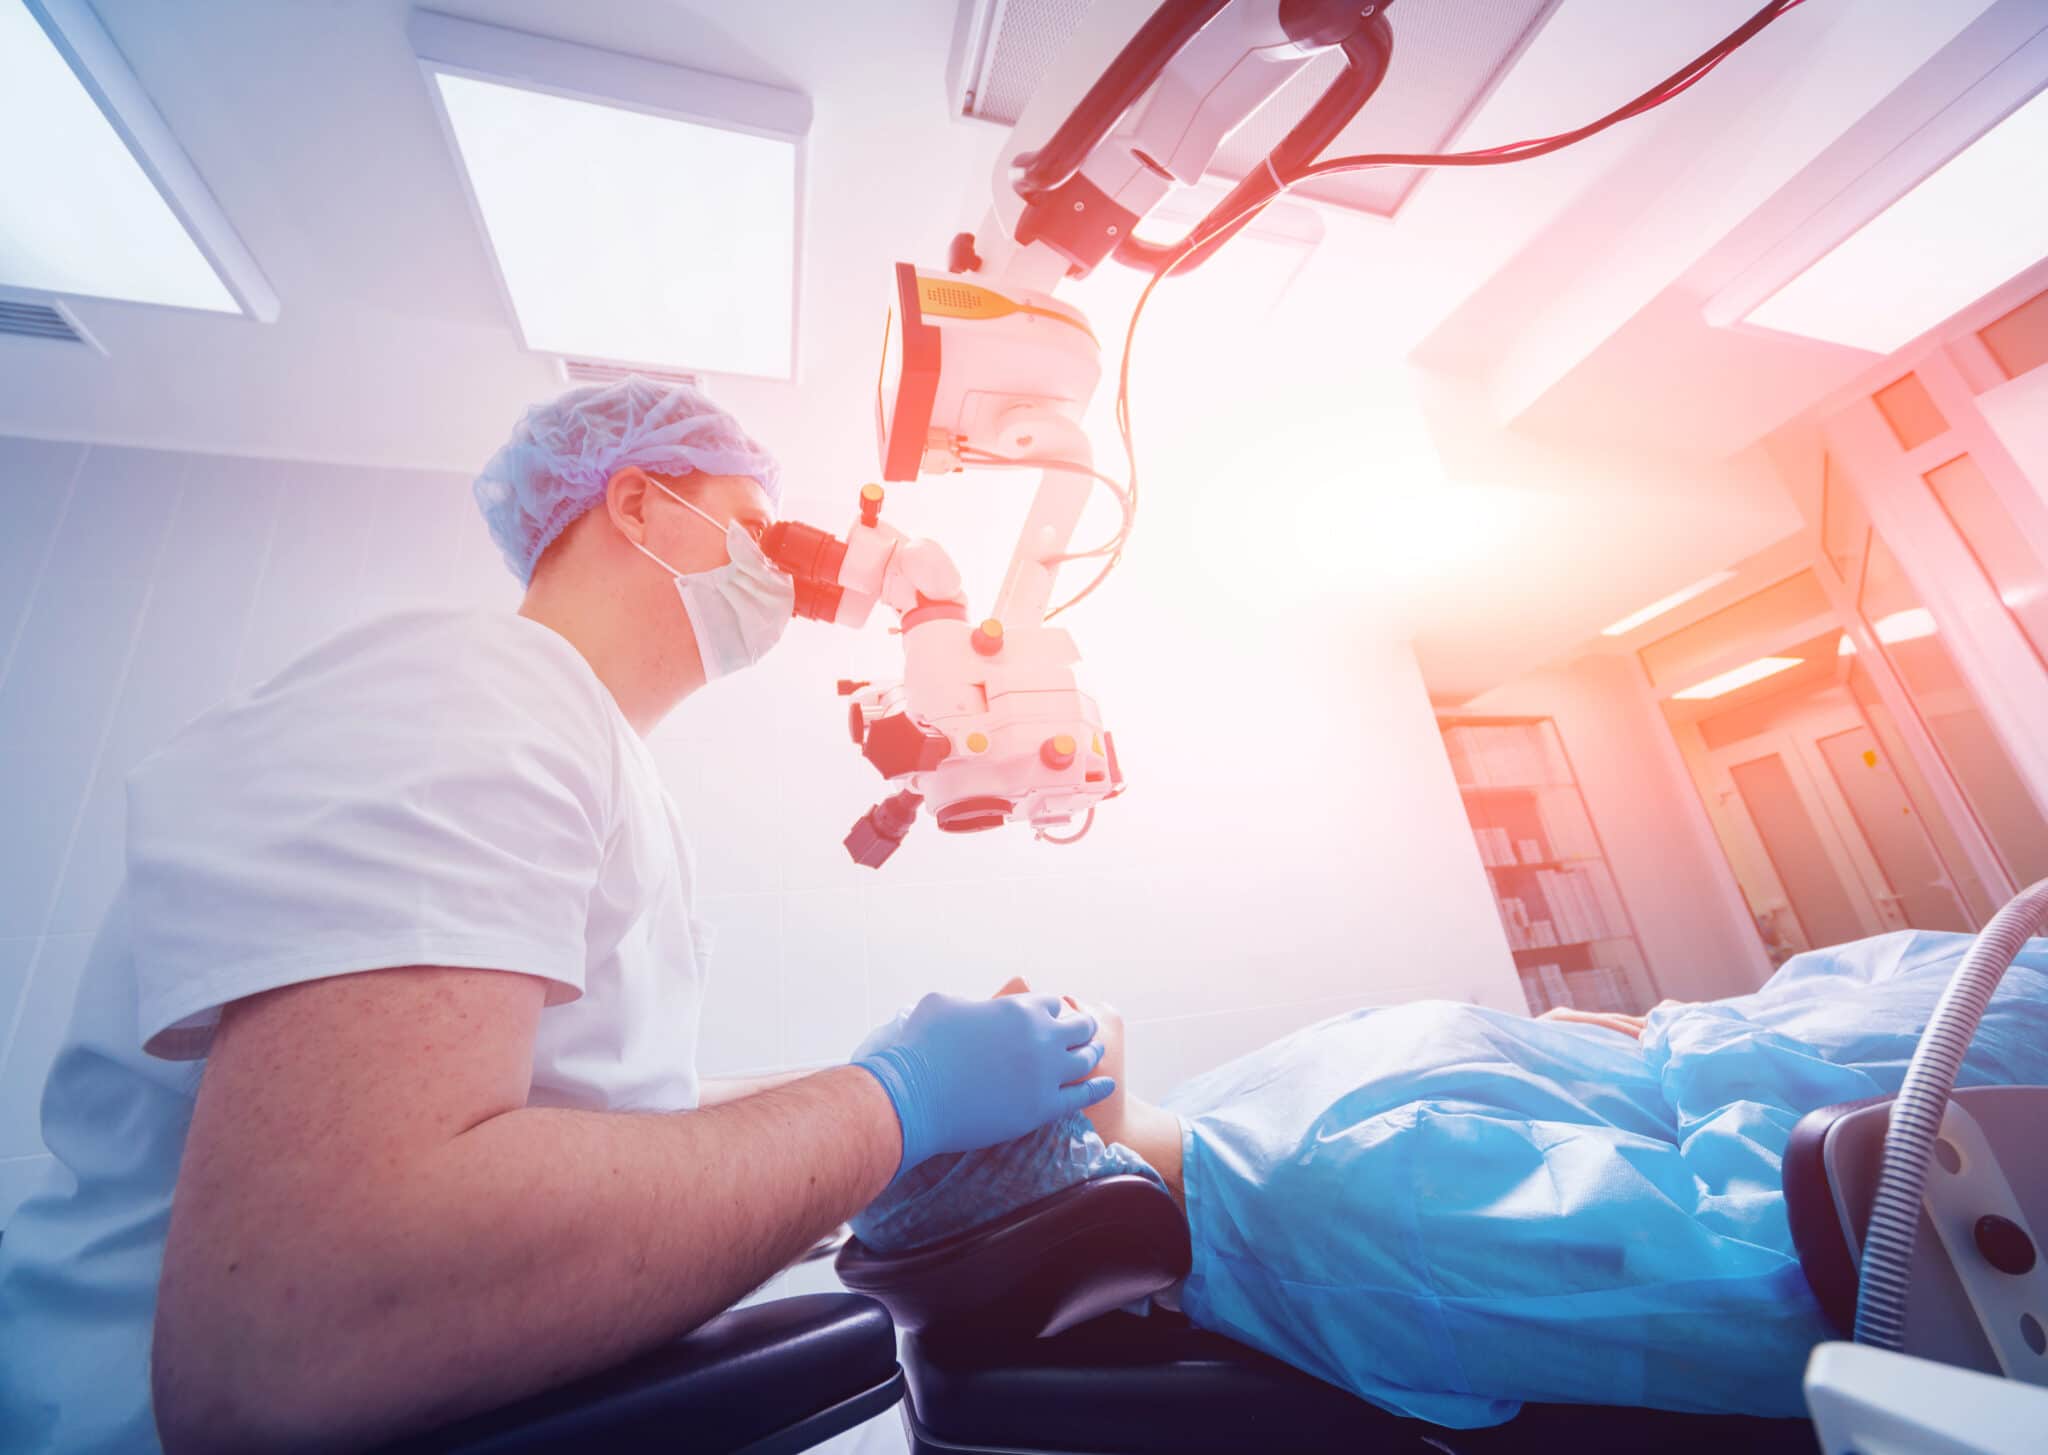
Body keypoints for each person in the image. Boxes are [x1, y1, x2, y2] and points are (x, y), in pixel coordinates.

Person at [0, 377, 1113, 1454]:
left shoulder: (580, 748)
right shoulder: (480, 687)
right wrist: (890, 1105)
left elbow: (559, 1121)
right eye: (753, 530)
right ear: (636, 503)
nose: (781, 574)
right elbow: (299, 1329)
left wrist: (863, 1100)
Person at [852, 932, 2048, 1427]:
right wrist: (1698, 1049)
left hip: (1922, 1014)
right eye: (978, 1053)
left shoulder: (1230, 1114)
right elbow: (1784, 1281)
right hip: (1971, 1113)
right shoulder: (1352, 1220)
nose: (1003, 988)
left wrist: (1653, 1036)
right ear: (1033, 1151)